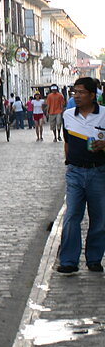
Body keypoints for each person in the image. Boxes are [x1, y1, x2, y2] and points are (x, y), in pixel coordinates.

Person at [56, 77, 105, 274]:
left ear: (93, 95)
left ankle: (94, 258)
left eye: (81, 92)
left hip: (98, 171)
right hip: (75, 172)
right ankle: (68, 260)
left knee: (99, 218)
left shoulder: (104, 115)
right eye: (75, 92)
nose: (77, 96)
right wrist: (68, 161)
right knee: (71, 216)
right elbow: (67, 142)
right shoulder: (68, 115)